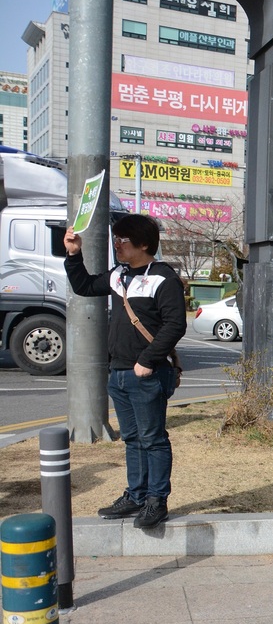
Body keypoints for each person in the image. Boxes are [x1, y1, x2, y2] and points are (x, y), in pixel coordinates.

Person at [63, 214, 186, 529]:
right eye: (115, 239)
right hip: (118, 373)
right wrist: (73, 255)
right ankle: (136, 496)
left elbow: (175, 324)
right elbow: (85, 286)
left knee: (153, 439)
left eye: (123, 240)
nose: (116, 244)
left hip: (146, 374)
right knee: (132, 439)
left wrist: (147, 360)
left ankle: (156, 501)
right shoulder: (120, 274)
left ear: (144, 244)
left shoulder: (163, 278)